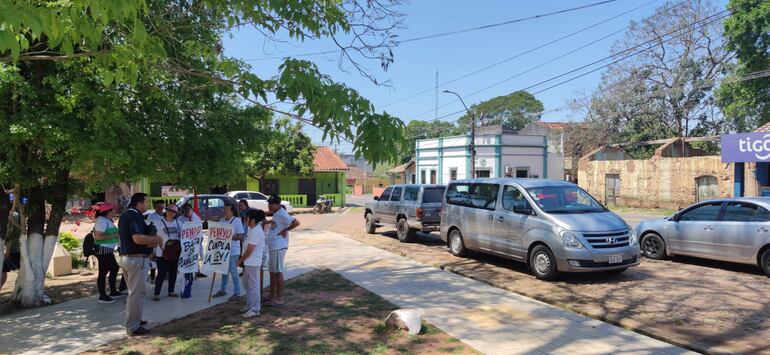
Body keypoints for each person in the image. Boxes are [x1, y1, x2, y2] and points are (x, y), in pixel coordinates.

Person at [119, 193, 162, 336]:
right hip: (136, 260)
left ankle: (135, 319)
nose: (147, 205)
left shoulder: (126, 215)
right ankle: (133, 326)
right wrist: (157, 239)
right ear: (138, 203)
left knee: (133, 293)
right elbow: (137, 239)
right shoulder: (134, 216)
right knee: (137, 294)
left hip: (128, 258)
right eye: (146, 202)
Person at [265, 195, 299, 306]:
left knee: (278, 272)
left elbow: (296, 222)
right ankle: (272, 295)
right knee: (272, 272)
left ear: (277, 204)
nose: (269, 205)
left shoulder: (282, 213)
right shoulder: (276, 213)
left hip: (279, 246)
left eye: (271, 204)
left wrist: (285, 230)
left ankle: (279, 298)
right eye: (269, 203)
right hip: (273, 246)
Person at [92, 202, 125, 304]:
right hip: (103, 249)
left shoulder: (106, 220)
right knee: (103, 272)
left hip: (108, 249)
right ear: (108, 211)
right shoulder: (101, 222)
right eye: (113, 210)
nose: (114, 212)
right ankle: (102, 296)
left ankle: (113, 291)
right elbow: (98, 237)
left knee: (114, 268)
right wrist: (114, 235)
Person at [212, 203, 244, 301]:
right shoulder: (222, 220)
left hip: (233, 250)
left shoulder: (237, 221)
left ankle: (237, 292)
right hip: (223, 250)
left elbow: (240, 236)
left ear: (232, 211)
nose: (225, 211)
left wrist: (229, 236)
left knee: (233, 271)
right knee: (224, 271)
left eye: (227, 209)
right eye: (224, 209)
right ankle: (223, 289)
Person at [238, 209, 266, 318]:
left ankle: (255, 309)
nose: (245, 220)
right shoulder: (252, 229)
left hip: (252, 262)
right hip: (248, 262)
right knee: (246, 283)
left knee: (253, 286)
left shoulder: (256, 231)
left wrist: (241, 260)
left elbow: (250, 249)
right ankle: (250, 305)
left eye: (247, 218)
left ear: (252, 219)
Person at [152, 204, 181, 301]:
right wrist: (152, 251)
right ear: (166, 210)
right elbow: (154, 237)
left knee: (173, 273)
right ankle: (156, 293)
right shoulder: (158, 223)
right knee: (161, 273)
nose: (171, 212)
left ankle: (171, 291)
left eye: (173, 211)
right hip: (162, 253)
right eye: (169, 210)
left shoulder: (178, 223)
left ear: (176, 213)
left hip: (175, 253)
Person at [178, 203, 206, 279]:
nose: (187, 211)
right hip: (186, 243)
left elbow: (199, 228)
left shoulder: (196, 218)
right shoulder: (179, 219)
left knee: (195, 255)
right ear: (183, 210)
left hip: (195, 241)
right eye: (185, 210)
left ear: (191, 210)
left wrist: (200, 237)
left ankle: (197, 271)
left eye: (189, 210)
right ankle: (187, 272)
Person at [1, 212, 21, 291]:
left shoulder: (12, 215)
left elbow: (10, 232)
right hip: (12, 248)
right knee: (3, 271)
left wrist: (7, 250)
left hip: (13, 249)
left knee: (22, 271)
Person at [145, 200, 164, 282]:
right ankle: (152, 274)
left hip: (164, 240)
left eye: (162, 206)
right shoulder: (151, 217)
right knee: (154, 258)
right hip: (154, 240)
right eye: (159, 207)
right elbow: (149, 230)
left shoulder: (165, 215)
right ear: (155, 207)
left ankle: (163, 273)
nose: (161, 208)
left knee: (162, 257)